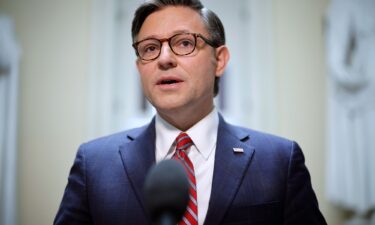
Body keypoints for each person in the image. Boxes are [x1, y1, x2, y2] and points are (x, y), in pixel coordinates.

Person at [54, 0, 327, 224]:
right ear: (139, 68)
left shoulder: (279, 161)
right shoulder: (94, 165)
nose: (164, 59)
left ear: (219, 60)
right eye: (149, 48)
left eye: (184, 43)